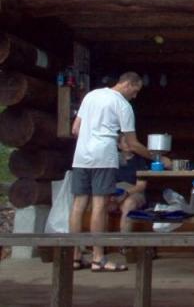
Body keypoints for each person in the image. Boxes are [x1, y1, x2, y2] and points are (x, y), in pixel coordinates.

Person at [69, 72, 167, 272]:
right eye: (136, 90)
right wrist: (157, 158)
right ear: (128, 84)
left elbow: (75, 129)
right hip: (103, 157)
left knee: (79, 204)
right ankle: (98, 259)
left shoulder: (91, 96)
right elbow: (132, 143)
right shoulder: (123, 105)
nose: (135, 95)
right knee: (99, 205)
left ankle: (75, 257)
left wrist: (90, 138)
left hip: (81, 156)